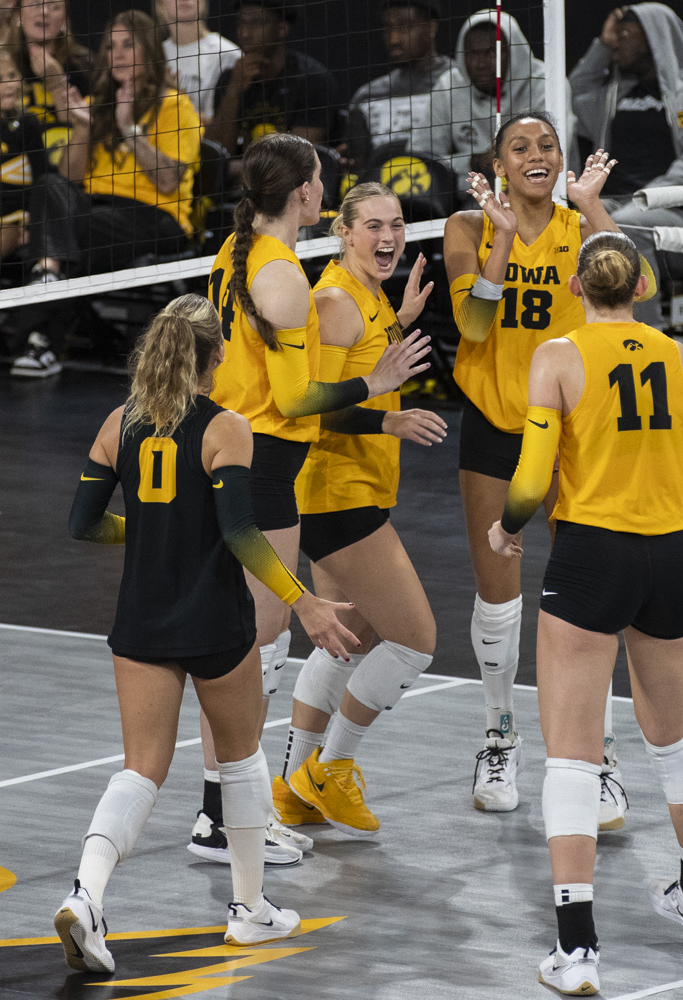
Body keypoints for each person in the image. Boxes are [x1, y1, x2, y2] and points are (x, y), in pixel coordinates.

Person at [55, 292, 361, 974]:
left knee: (140, 770)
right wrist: (304, 601)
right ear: (215, 354)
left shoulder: (118, 424)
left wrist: (150, 530)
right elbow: (241, 534)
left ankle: (87, 894)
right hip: (214, 622)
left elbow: (81, 524)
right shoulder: (228, 428)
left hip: (140, 620)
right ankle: (250, 909)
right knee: (242, 758)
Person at [489, 230, 683, 994]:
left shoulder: (556, 356)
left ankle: (578, 949)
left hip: (594, 557)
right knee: (673, 733)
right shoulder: (673, 353)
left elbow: (529, 482)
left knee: (572, 753)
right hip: (675, 556)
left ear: (577, 288)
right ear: (641, 287)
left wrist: (506, 527)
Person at [189, 133, 432, 862]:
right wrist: (375, 388)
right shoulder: (287, 278)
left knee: (249, 648)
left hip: (233, 455)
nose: (324, 188)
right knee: (258, 652)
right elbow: (297, 399)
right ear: (302, 194)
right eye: (320, 179)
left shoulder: (235, 261)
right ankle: (234, 817)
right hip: (265, 469)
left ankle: (219, 812)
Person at [443, 111, 654, 820]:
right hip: (498, 426)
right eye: (520, 147)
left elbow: (641, 288)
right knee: (498, 597)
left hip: (574, 430)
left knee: (587, 596)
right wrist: (502, 239)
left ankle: (599, 754)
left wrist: (593, 205)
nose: (537, 155)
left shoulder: (579, 229)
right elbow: (473, 325)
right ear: (498, 164)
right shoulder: (467, 230)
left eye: (548, 146)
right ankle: (499, 737)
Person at [273, 182, 447, 837]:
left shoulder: (365, 296)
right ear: (343, 232)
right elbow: (310, 405)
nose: (387, 237)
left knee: (349, 640)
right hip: (333, 493)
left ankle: (293, 789)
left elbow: (364, 364)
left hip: (349, 490)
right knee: (415, 639)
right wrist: (388, 424)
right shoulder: (335, 302)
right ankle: (331, 769)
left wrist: (397, 318)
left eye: (397, 224)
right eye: (372, 225)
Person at [9, 9, 202, 375]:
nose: (119, 54)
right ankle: (47, 295)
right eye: (111, 46)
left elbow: (168, 181)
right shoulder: (100, 104)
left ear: (150, 51)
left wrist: (129, 128)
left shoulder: (176, 104)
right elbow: (70, 177)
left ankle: (38, 331)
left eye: (129, 45)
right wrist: (83, 127)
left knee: (65, 238)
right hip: (96, 211)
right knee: (50, 184)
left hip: (154, 215)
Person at [569, 3, 683, 327]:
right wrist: (601, 45)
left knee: (624, 227)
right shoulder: (612, 96)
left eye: (624, 34)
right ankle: (582, 336)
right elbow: (573, 92)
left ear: (655, 37)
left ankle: (642, 340)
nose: (616, 42)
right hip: (617, 204)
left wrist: (644, 200)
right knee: (567, 230)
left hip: (676, 211)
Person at [206, 0, 338, 171]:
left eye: (257, 24)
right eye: (241, 24)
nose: (245, 34)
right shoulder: (229, 78)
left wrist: (234, 169)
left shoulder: (313, 80)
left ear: (281, 29)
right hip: (240, 189)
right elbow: (216, 157)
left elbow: (297, 161)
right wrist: (233, 91)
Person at [429, 9, 547, 191]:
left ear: (514, 52)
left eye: (492, 52)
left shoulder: (545, 82)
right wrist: (472, 160)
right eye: (472, 53)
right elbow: (422, 160)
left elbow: (547, 155)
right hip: (466, 198)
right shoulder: (448, 85)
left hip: (539, 194)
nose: (481, 63)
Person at [0, 47, 51, 371]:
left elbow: (44, 178)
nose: (10, 84)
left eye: (13, 76)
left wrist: (37, 223)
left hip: (17, 218)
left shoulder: (26, 123)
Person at [346, 0, 452, 170]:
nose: (394, 39)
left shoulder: (460, 84)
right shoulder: (367, 96)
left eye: (405, 27)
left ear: (432, 28)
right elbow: (360, 171)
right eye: (388, 29)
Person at [13, 0, 92, 165]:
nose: (44, 12)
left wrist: (57, 82)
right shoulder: (3, 62)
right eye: (35, 4)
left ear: (65, 19)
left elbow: (79, 129)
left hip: (64, 160)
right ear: (18, 13)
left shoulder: (84, 65)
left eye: (54, 6)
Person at [155, 0, 241, 122]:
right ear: (159, 5)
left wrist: (178, 101)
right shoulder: (155, 56)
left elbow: (224, 125)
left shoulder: (228, 54)